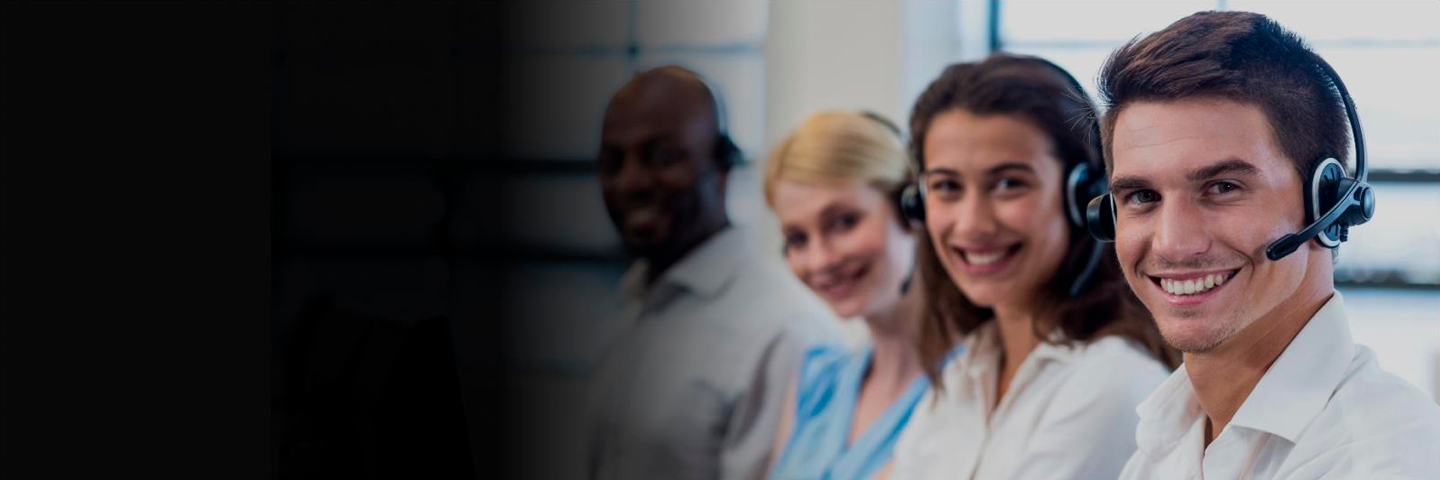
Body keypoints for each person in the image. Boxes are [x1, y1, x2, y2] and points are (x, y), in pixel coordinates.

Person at [1089, 11, 1440, 479]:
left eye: (1223, 187)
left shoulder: (1379, 460)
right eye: (1142, 197)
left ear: (1327, 203)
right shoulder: (1164, 444)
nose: (1173, 242)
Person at [887, 53, 1178, 480]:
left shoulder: (1110, 383)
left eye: (1009, 184)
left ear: (1085, 196)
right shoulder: (967, 369)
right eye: (947, 187)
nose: (972, 224)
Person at [583, 65, 847, 480]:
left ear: (724, 166)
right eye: (612, 162)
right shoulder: (636, 299)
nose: (630, 181)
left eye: (662, 156)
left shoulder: (784, 333)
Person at [763, 111, 946, 480]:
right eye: (797, 239)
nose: (820, 260)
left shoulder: (975, 381)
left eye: (844, 222)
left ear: (913, 208)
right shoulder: (817, 379)